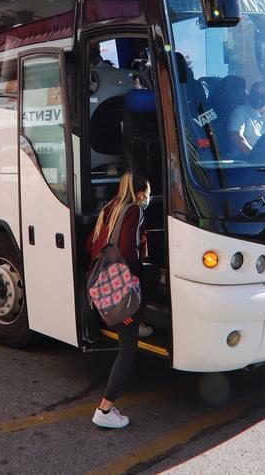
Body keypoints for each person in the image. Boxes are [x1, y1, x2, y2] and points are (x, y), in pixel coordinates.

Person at [88, 172, 151, 429]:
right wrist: (142, 273)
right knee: (127, 351)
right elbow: (129, 253)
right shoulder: (134, 211)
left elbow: (90, 245)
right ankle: (105, 409)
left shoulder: (109, 209)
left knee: (129, 341)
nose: (148, 197)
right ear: (139, 193)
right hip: (121, 290)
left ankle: (139, 322)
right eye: (147, 192)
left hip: (102, 283)